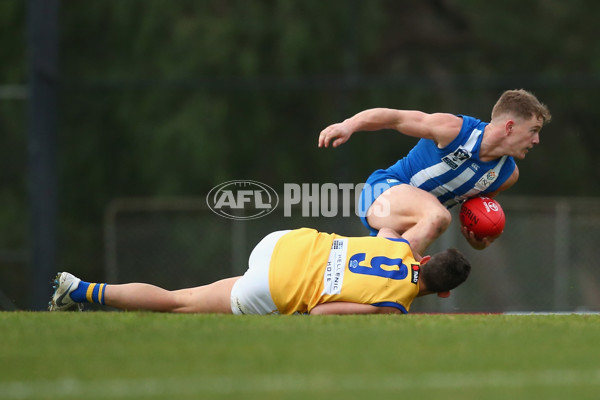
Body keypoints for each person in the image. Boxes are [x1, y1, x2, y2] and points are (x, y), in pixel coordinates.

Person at [318, 89, 551, 255]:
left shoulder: (506, 175)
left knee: (443, 278)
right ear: (510, 127)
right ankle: (381, 276)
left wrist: (480, 239)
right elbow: (395, 118)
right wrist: (348, 125)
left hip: (410, 226)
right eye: (533, 130)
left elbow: (474, 214)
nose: (537, 140)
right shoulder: (454, 130)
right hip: (382, 192)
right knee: (437, 218)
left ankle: (360, 274)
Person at [49, 227, 470, 315]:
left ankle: (78, 293)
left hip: (284, 241)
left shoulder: (398, 245)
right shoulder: (394, 307)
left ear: (428, 259)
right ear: (445, 293)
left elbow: (387, 225)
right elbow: (323, 315)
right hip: (276, 285)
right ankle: (80, 290)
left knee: (190, 296)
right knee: (179, 303)